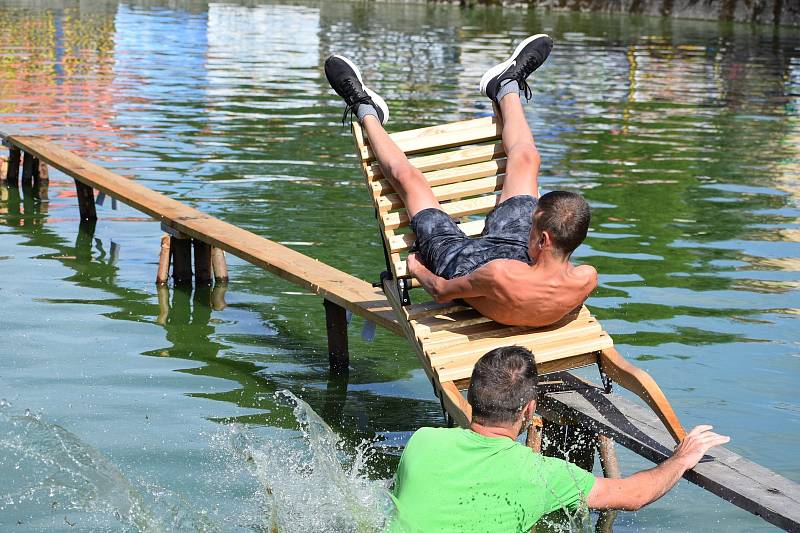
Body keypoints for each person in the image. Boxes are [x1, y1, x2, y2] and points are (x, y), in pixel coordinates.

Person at [324, 35, 597, 327]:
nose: (529, 219)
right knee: (528, 159)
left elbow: (441, 292)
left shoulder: (500, 276)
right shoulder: (585, 278)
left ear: (544, 238)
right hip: (522, 257)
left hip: (462, 263)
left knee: (409, 179)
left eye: (533, 221)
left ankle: (365, 109)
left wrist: (417, 269)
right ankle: (505, 85)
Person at [388, 346, 729, 532]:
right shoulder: (542, 475)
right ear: (530, 408)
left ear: (471, 395)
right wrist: (681, 458)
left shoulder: (421, 442)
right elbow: (635, 495)